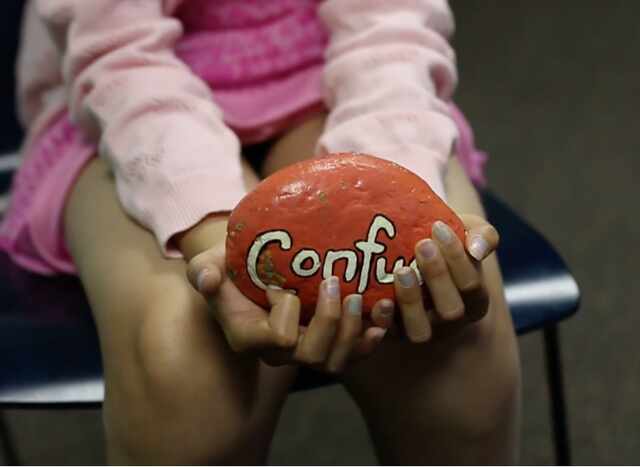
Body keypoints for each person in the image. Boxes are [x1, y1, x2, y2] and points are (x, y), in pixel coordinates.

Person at [3, 0, 521, 463]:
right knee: (184, 364)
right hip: (126, 108)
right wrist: (214, 234)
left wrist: (381, 201)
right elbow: (119, 58)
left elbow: (391, 25)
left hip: (342, 77)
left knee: (455, 342)